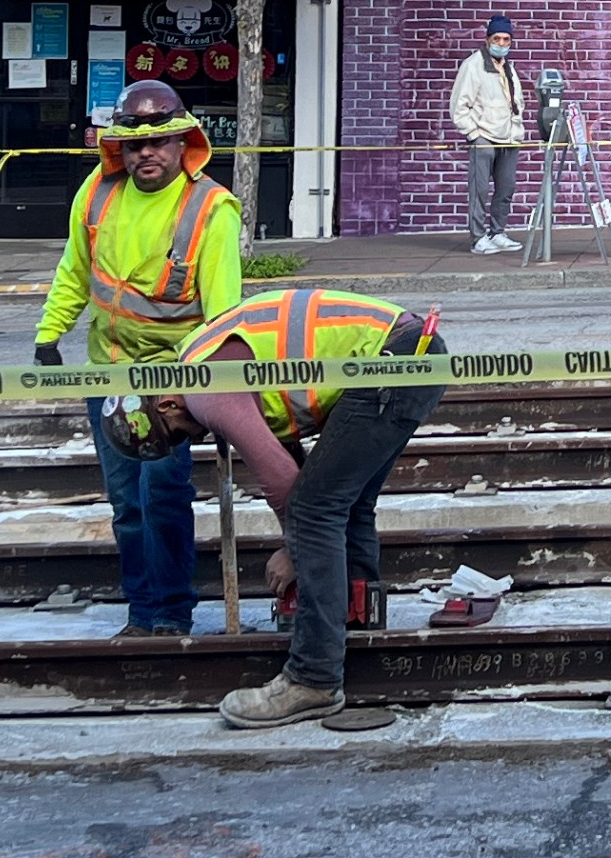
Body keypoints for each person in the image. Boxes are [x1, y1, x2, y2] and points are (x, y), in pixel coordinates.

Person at [156, 284, 446, 729]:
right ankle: (356, 621)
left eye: (175, 433)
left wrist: (293, 551)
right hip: (411, 349)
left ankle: (313, 677)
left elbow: (280, 480)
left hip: (391, 356)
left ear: (164, 402)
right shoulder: (213, 356)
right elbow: (291, 459)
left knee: (315, 510)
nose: (189, 438)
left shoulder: (202, 386)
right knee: (343, 502)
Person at [35, 81, 242, 636]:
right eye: (133, 146)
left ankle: (171, 613)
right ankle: (141, 611)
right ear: (118, 149)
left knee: (162, 497)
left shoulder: (210, 210)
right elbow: (75, 272)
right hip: (107, 371)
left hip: (171, 381)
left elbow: (224, 312)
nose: (145, 154)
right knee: (127, 502)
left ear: (182, 144)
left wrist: (217, 383)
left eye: (158, 143)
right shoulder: (98, 194)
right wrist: (49, 334)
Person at [450, 13, 529, 255]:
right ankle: (477, 238)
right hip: (484, 137)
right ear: (487, 39)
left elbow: (516, 101)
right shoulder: (473, 65)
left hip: (508, 137)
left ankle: (497, 232)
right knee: (479, 190)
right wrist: (474, 134)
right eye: (497, 38)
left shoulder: (509, 68)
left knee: (506, 189)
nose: (502, 44)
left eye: (507, 39)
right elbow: (459, 106)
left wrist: (517, 131)